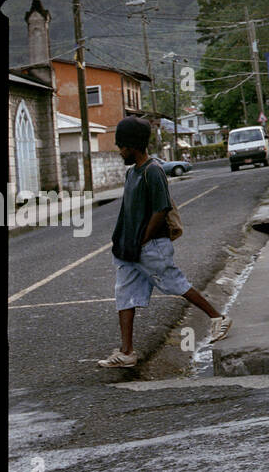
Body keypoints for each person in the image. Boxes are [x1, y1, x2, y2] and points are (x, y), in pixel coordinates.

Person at [99, 116, 231, 367]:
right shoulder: (132, 174)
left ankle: (218, 317)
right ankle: (126, 352)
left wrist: (143, 240)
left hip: (150, 247)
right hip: (130, 250)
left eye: (121, 146)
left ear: (134, 144)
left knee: (175, 284)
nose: (119, 151)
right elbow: (127, 212)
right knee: (124, 294)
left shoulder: (153, 171)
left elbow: (160, 209)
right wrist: (123, 241)